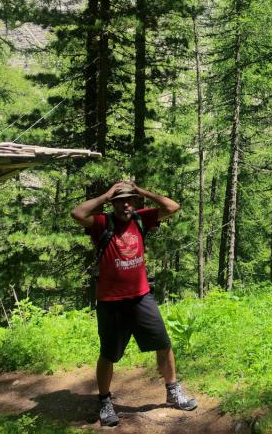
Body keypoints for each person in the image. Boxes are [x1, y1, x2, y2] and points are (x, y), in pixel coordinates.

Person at [71, 180, 197, 427]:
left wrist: (142, 191)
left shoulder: (142, 218)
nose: (126, 204)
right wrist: (107, 194)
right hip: (111, 302)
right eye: (121, 200)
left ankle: (173, 391)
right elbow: (77, 213)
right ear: (114, 203)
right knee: (109, 354)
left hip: (141, 297)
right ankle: (105, 402)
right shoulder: (102, 223)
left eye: (130, 199)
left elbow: (173, 207)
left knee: (163, 343)